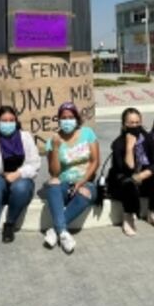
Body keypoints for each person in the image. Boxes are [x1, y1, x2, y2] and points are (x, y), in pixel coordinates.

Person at [0, 106, 41, 257]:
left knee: (21, 187)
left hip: (20, 180)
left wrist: (18, 173)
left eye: (11, 120)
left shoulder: (25, 137)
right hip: (0, 181)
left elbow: (35, 163)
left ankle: (10, 223)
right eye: (4, 121)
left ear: (16, 121)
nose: (8, 124)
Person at [42, 102, 99, 253]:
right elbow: (54, 172)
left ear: (76, 119)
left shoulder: (87, 133)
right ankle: (63, 232)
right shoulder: (53, 140)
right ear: (59, 120)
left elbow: (95, 162)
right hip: (64, 182)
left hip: (86, 181)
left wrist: (82, 181)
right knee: (53, 182)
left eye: (70, 117)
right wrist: (55, 148)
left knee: (85, 193)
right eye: (63, 118)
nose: (67, 121)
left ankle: (55, 230)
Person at [108, 107, 154, 236]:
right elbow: (127, 169)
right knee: (128, 182)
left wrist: (144, 174)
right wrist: (129, 148)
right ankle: (128, 217)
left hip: (143, 179)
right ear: (124, 124)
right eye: (131, 123)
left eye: (137, 122)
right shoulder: (118, 144)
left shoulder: (147, 138)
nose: (135, 126)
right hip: (123, 184)